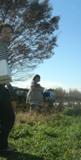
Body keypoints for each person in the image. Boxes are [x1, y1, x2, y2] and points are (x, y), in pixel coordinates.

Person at [0, 24, 15, 152]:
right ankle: (2, 147)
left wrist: (8, 85)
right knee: (9, 117)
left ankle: (2, 145)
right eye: (5, 32)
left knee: (5, 117)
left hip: (1, 85)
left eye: (10, 33)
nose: (7, 34)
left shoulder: (4, 47)